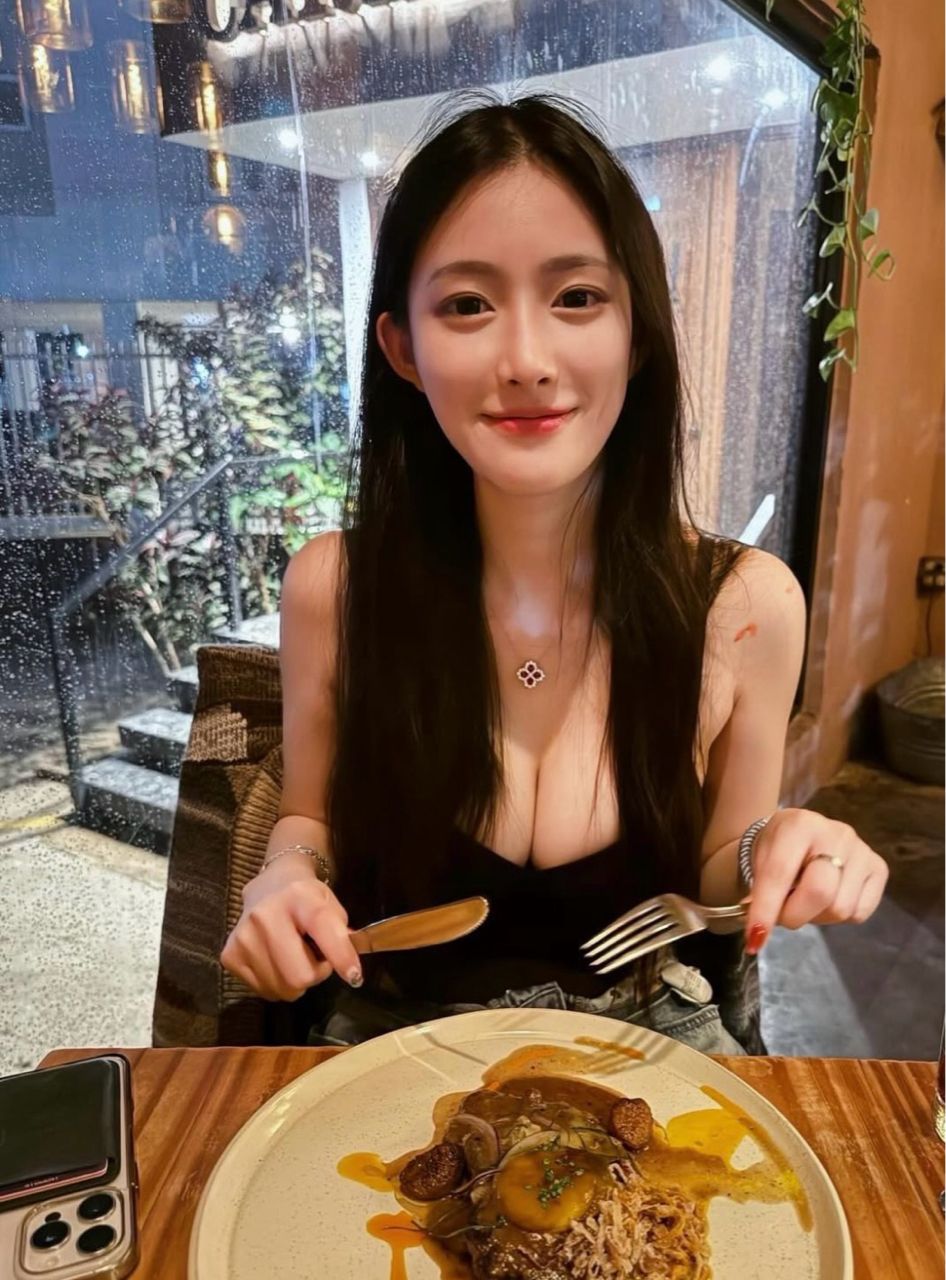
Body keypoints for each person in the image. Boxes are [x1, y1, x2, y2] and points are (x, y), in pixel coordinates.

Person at [220, 91, 888, 1055]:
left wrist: (772, 848)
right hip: (388, 1037)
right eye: (467, 305)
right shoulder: (336, 586)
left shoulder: (746, 604)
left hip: (652, 1043)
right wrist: (286, 875)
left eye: (576, 297)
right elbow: (309, 814)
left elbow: (717, 867)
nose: (527, 360)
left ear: (638, 330)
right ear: (402, 348)